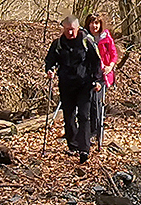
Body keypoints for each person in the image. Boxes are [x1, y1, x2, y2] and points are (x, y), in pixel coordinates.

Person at [44, 18, 104, 159]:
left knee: (84, 116)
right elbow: (50, 60)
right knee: (68, 117)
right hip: (66, 85)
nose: (70, 32)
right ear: (63, 29)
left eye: (73, 29)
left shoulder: (86, 42)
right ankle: (73, 145)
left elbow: (96, 62)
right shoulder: (58, 44)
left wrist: (97, 81)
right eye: (67, 29)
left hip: (84, 84)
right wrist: (50, 70)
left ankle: (84, 149)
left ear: (78, 28)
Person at [87, 13, 124, 155]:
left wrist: (110, 66)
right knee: (88, 103)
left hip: (102, 75)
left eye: (96, 23)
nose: (94, 26)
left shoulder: (106, 38)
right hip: (87, 75)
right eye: (92, 23)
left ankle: (97, 131)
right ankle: (88, 131)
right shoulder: (85, 38)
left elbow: (114, 55)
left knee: (97, 103)